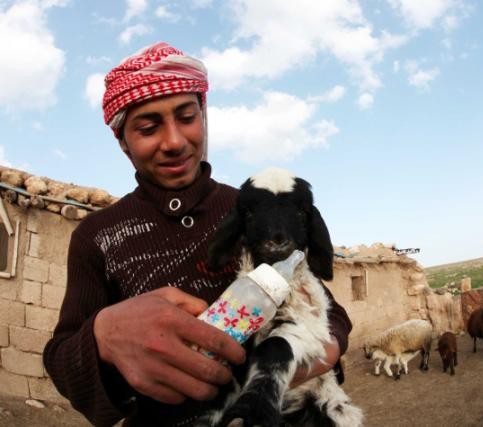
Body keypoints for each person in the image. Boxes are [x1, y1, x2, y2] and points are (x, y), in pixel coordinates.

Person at [43, 42, 352, 427]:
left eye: (186, 116)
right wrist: (102, 336)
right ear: (123, 142)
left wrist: (288, 362)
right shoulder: (98, 235)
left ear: (203, 116)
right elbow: (60, 357)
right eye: (148, 127)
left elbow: (326, 308)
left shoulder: (255, 209)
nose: (174, 141)